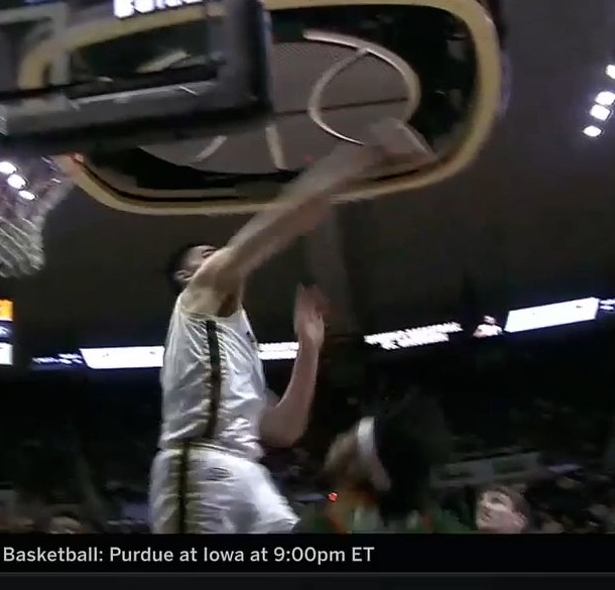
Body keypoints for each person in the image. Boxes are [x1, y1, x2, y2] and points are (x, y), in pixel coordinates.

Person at [148, 118, 432, 534]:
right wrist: (364, 154)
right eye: (204, 255)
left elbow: (282, 430)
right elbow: (282, 219)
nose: (218, 256)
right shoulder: (196, 299)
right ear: (186, 278)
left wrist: (309, 347)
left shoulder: (233, 342)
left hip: (245, 471)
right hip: (198, 464)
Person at [306, 395, 530, 533]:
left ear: (359, 464)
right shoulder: (428, 519)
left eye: (349, 436)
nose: (338, 440)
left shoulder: (322, 524)